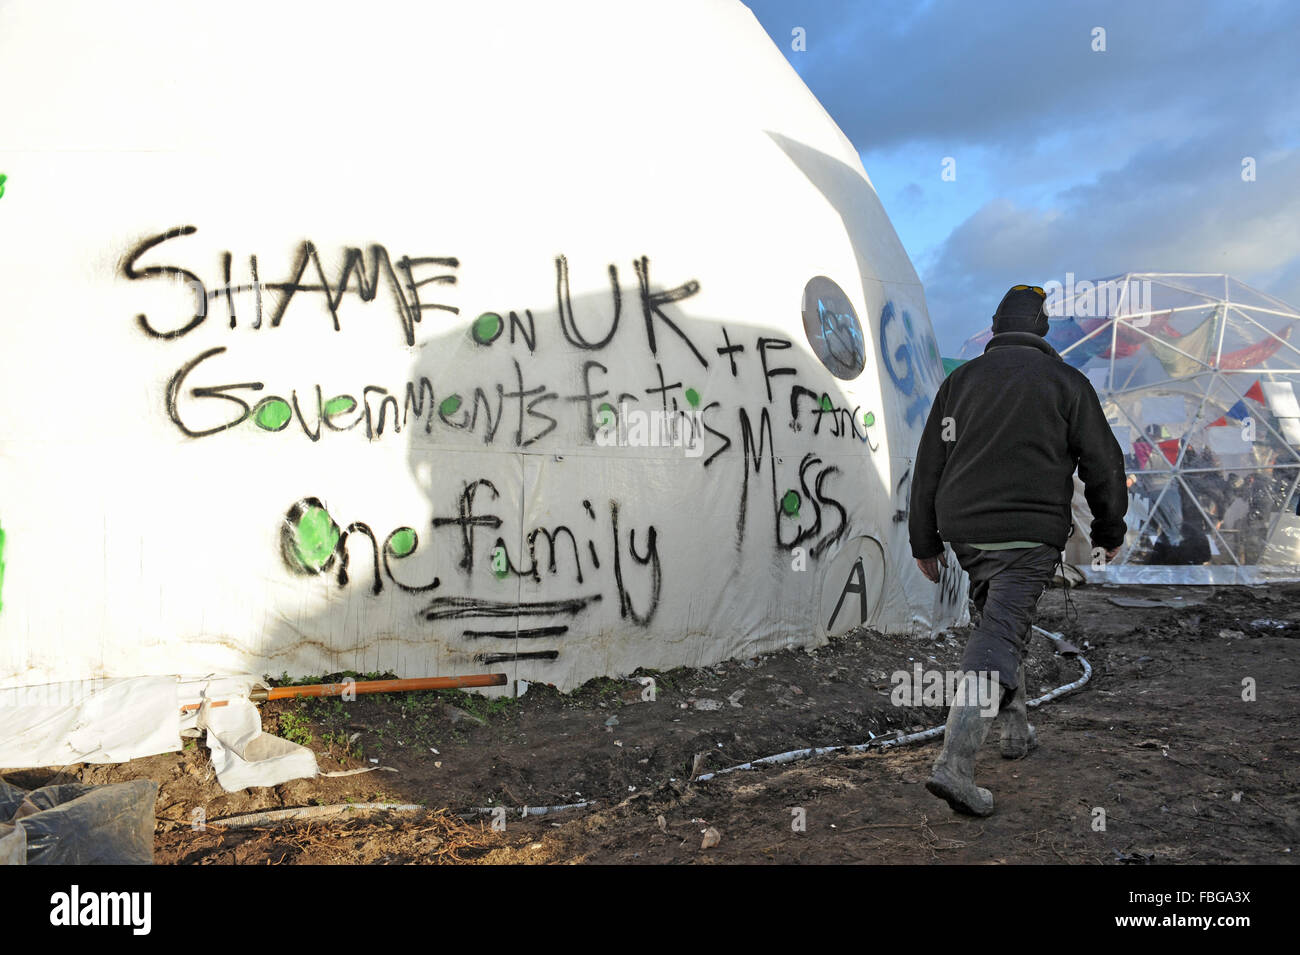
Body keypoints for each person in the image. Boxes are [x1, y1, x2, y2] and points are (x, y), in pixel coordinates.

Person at [909, 284, 1129, 816]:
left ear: (995, 324)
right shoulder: (1066, 383)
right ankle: (955, 765)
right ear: (1043, 328)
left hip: (966, 532)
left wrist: (925, 540)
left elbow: (929, 463)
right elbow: (1103, 461)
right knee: (1002, 631)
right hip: (1029, 534)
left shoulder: (959, 383)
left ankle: (1017, 730)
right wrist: (1108, 531)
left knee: (998, 622)